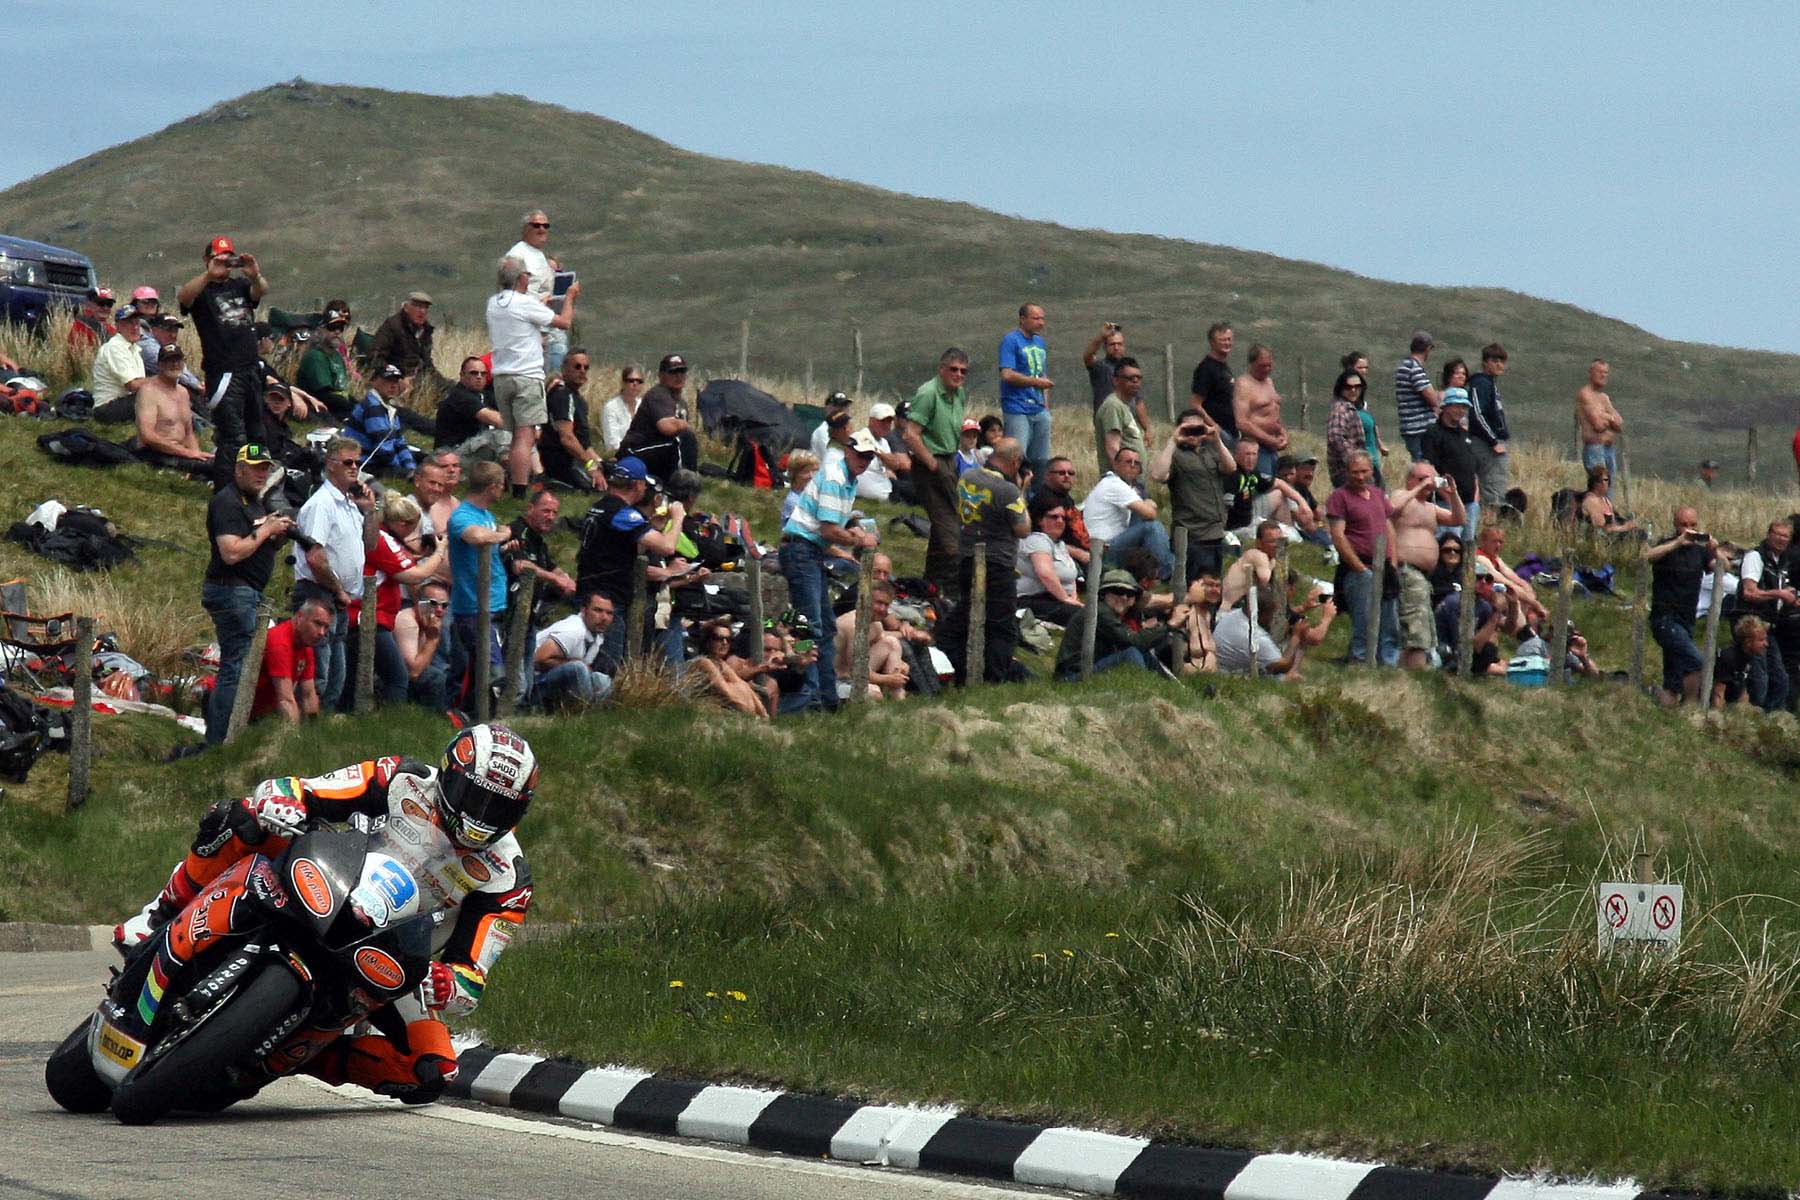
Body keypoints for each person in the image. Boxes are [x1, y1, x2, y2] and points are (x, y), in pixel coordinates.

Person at [113, 723, 539, 1105]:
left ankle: (294, 1053)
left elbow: (472, 975)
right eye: (474, 798)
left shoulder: (507, 876)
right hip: (327, 882)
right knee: (239, 817)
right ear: (448, 776)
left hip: (388, 958)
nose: (479, 818)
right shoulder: (401, 778)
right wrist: (284, 800)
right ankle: (160, 915)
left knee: (431, 1070)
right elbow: (306, 789)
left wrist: (449, 983)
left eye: (498, 808)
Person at [201, 445, 295, 745]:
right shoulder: (227, 501)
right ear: (239, 469)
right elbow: (231, 552)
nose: (261, 474)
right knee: (236, 666)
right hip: (231, 589)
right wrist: (267, 529)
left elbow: (256, 544)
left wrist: (277, 536)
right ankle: (220, 740)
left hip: (247, 591)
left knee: (243, 666)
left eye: (265, 469)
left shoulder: (254, 502)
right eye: (255, 468)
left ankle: (231, 734)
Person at [780, 431, 881, 705]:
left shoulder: (848, 480)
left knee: (824, 627)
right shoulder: (836, 478)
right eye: (860, 455)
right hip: (802, 550)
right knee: (810, 627)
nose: (864, 461)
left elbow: (833, 524)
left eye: (868, 457)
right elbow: (828, 530)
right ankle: (808, 696)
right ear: (848, 451)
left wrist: (853, 530)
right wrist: (859, 539)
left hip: (810, 552)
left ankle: (826, 696)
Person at [576, 457, 686, 670]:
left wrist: (653, 527)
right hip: (607, 601)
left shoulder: (600, 507)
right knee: (606, 666)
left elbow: (625, 544)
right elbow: (667, 547)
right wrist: (678, 518)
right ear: (637, 484)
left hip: (591, 592)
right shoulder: (622, 513)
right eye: (644, 484)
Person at [293, 438, 377, 711]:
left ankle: (325, 720)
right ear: (330, 465)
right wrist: (338, 590)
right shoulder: (322, 504)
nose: (354, 468)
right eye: (348, 462)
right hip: (319, 592)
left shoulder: (350, 504)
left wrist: (370, 510)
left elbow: (371, 545)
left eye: (357, 463)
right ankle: (304, 722)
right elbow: (314, 556)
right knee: (319, 671)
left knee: (335, 675)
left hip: (341, 597)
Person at [486, 254, 579, 499]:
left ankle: (512, 482)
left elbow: (520, 318)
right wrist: (569, 297)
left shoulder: (493, 303)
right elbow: (564, 322)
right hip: (526, 376)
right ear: (521, 278)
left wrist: (539, 306)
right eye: (526, 274)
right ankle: (519, 489)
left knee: (514, 434)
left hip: (502, 376)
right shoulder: (526, 303)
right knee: (525, 436)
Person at [938, 437, 1030, 685]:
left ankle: (960, 668)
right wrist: (1022, 491)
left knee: (967, 613)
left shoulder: (967, 477)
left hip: (967, 557)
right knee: (1001, 626)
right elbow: (1023, 528)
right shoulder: (1007, 490)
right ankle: (993, 678)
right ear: (1015, 461)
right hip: (998, 563)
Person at [177, 236, 268, 481]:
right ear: (207, 259)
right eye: (219, 258)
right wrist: (209, 274)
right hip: (224, 371)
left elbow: (260, 292)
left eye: (229, 258)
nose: (225, 264)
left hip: (250, 368)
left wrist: (254, 275)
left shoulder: (239, 285)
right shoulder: (202, 290)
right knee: (232, 436)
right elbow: (183, 298)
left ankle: (253, 481)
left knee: (257, 432)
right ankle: (226, 485)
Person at [352, 492, 448, 706]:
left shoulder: (387, 538)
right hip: (371, 617)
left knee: (359, 677)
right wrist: (440, 552)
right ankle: (394, 718)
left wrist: (419, 556)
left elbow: (399, 563)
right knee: (397, 677)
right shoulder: (382, 539)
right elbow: (415, 575)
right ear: (404, 524)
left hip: (378, 616)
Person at [900, 348, 971, 598]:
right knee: (950, 529)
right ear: (942, 369)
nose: (958, 375)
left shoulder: (959, 393)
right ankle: (952, 591)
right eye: (953, 369)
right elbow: (910, 434)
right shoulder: (928, 393)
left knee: (950, 521)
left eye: (963, 371)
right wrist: (932, 464)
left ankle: (931, 584)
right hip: (930, 462)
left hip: (949, 459)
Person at [446, 461, 517, 709]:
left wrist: (504, 546)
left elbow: (488, 546)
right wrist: (503, 534)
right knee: (492, 671)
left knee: (483, 669)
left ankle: (473, 715)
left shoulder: (487, 516)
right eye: (502, 485)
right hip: (474, 606)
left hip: (495, 601)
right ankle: (466, 713)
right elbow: (476, 537)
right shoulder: (462, 516)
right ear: (493, 487)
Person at [1389, 461, 1465, 669]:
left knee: (1423, 629)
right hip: (1407, 570)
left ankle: (1407, 671)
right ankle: (1416, 672)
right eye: (1422, 478)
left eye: (1431, 479)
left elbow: (1459, 519)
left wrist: (1452, 494)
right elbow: (1392, 508)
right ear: (1410, 480)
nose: (1428, 483)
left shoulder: (1431, 508)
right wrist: (1420, 487)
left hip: (1423, 577)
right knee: (1417, 631)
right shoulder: (1401, 496)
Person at [1327, 451, 1400, 666]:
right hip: (1359, 567)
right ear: (1347, 472)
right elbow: (1338, 536)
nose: (1360, 477)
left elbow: (1389, 529)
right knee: (1364, 618)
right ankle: (1360, 660)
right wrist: (1360, 569)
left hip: (1384, 565)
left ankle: (1388, 662)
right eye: (1355, 472)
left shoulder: (1378, 495)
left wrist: (1393, 562)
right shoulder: (1339, 498)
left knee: (1389, 618)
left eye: (1364, 471)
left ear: (1371, 471)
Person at [1148, 410, 1234, 584]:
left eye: (1198, 428)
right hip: (1192, 534)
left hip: (1215, 531)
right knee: (1195, 587)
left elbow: (1230, 467)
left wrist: (1216, 440)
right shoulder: (1175, 455)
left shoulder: (1210, 452)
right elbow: (1157, 475)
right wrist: (1174, 440)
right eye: (1189, 429)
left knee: (1214, 586)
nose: (1193, 433)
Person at [1649, 506, 1722, 706]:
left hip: (1687, 618)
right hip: (1665, 617)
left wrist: (1714, 549)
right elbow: (1648, 556)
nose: (1689, 529)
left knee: (1673, 679)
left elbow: (1723, 568)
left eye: (1693, 525)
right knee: (1696, 661)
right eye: (1684, 525)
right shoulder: (1667, 544)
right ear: (1675, 525)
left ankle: (1671, 704)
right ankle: (1689, 705)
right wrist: (1677, 543)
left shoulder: (1701, 551)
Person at [1053, 569, 1167, 680]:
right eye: (1118, 591)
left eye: (1130, 594)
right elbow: (1134, 640)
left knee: (1142, 652)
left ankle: (1167, 685)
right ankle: (1145, 687)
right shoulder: (1100, 612)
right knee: (1131, 653)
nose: (1124, 597)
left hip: (1090, 667)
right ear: (1104, 594)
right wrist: (1169, 626)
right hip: (1071, 675)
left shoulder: (1117, 613)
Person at [1082, 447, 1172, 578]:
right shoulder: (1114, 484)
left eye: (1137, 463)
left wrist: (1146, 504)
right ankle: (1169, 572)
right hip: (1103, 550)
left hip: (1112, 543)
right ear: (1116, 465)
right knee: (1152, 527)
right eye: (1128, 462)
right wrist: (1148, 503)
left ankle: (1166, 565)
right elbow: (1150, 513)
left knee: (1143, 521)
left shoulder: (1125, 486)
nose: (1133, 466)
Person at [1733, 519, 1794, 712]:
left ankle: (1769, 718)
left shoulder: (1783, 562)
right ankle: (1753, 715)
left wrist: (1790, 597)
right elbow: (1748, 592)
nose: (1781, 539)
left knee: (1780, 679)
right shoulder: (1756, 557)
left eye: (1785, 536)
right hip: (1751, 626)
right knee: (1759, 678)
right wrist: (1780, 594)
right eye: (1777, 534)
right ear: (1768, 535)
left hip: (1769, 628)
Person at [245, 597, 332, 726]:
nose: (322, 633)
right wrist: (293, 736)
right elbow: (285, 700)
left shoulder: (306, 646)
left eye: (326, 627)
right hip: (240, 712)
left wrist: (314, 730)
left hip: (262, 713)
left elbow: (309, 695)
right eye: (318, 624)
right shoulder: (280, 642)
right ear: (300, 617)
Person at [131, 344, 214, 475]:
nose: (174, 364)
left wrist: (197, 454)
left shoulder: (183, 392)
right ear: (160, 365)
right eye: (169, 361)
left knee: (219, 463)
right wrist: (187, 453)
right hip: (156, 454)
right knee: (217, 468)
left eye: (177, 360)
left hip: (180, 452)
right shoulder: (148, 392)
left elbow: (188, 433)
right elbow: (147, 436)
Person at [507, 208, 569, 375]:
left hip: (547, 327)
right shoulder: (517, 255)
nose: (542, 229)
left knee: (551, 378)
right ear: (525, 228)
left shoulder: (538, 255)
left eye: (545, 226)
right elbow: (511, 293)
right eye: (536, 225)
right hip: (530, 331)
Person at [620, 353, 697, 482]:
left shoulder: (681, 402)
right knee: (683, 438)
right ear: (661, 375)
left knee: (682, 440)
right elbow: (666, 427)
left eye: (682, 371)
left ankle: (682, 480)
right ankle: (687, 482)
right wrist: (685, 426)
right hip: (634, 452)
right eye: (673, 372)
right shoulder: (658, 394)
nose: (678, 376)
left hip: (656, 449)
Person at [531, 591, 616, 708]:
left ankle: (592, 712)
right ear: (584, 611)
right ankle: (583, 710)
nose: (604, 618)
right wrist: (574, 663)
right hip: (534, 682)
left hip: (554, 681)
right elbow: (538, 659)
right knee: (578, 668)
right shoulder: (574, 630)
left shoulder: (597, 635)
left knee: (602, 680)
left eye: (609, 613)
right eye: (597, 610)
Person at [999, 302, 1053, 482]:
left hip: (1039, 409)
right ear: (1022, 319)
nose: (1041, 323)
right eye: (1036, 318)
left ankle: (1036, 493)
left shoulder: (1040, 342)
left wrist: (1045, 406)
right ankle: (1015, 493)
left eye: (1042, 319)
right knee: (1017, 458)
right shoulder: (1011, 340)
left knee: (1041, 460)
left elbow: (1042, 375)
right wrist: (1036, 382)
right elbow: (1007, 374)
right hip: (1017, 407)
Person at [1420, 387, 1481, 541]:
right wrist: (1448, 495)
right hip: (1446, 503)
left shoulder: (1464, 434)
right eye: (1457, 406)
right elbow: (1430, 470)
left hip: (1470, 502)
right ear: (1446, 407)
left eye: (1464, 407)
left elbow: (1472, 467)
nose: (1461, 411)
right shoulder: (1433, 433)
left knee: (1468, 544)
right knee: (1449, 542)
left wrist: (1475, 495)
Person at [834, 580, 910, 701]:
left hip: (854, 675)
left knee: (891, 642)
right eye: (879, 603)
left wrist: (902, 666)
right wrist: (888, 679)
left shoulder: (876, 624)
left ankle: (899, 698)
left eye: (886, 605)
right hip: (837, 680)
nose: (882, 609)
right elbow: (857, 671)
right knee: (874, 693)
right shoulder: (853, 626)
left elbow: (887, 650)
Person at [541, 348, 604, 490]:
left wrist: (599, 463)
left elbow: (584, 443)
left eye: (586, 367)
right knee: (597, 488)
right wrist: (591, 466)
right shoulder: (562, 395)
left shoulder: (578, 399)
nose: (582, 371)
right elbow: (567, 439)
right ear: (564, 369)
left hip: (576, 458)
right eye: (577, 366)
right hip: (560, 461)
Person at [1016, 496, 1083, 626]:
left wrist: (1073, 598)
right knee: (1084, 617)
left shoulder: (1059, 544)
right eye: (1054, 517)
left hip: (1054, 599)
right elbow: (1045, 573)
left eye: (1063, 518)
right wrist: (1066, 598)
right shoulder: (1037, 540)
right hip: (1032, 600)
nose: (1060, 521)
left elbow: (1071, 576)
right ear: (1040, 520)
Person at [345, 363, 420, 477]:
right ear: (375, 381)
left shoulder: (388, 406)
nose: (393, 386)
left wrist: (410, 466)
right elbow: (383, 451)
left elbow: (399, 441)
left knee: (425, 458)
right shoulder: (372, 407)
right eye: (388, 381)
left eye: (396, 381)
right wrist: (404, 471)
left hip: (381, 459)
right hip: (366, 463)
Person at [1435, 561, 1508, 675]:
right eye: (1478, 578)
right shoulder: (1454, 602)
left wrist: (1512, 604)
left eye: (1487, 579)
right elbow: (1464, 645)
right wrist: (1496, 614)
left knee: (1490, 649)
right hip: (1445, 650)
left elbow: (1507, 629)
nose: (1483, 582)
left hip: (1466, 650)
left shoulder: (1484, 605)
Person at [1474, 523, 1550, 631]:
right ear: (1483, 541)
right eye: (1494, 541)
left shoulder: (1495, 558)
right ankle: (1521, 629)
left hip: (1497, 593)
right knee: (1516, 597)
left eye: (1501, 542)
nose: (1498, 546)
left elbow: (1513, 577)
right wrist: (1536, 604)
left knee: (1525, 595)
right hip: (1485, 597)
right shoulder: (1480, 558)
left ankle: (1524, 628)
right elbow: (1504, 581)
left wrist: (1527, 588)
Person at [435, 356, 509, 461]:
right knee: (500, 435)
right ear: (462, 375)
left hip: (473, 448)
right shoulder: (459, 396)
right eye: (474, 373)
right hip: (451, 454)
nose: (479, 377)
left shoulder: (485, 395)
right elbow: (496, 419)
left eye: (483, 374)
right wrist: (525, 429)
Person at [393, 579, 451, 710]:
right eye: (433, 604)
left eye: (444, 605)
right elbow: (413, 673)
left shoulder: (428, 621)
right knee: (436, 677)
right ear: (419, 603)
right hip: (389, 679)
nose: (439, 610)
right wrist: (432, 639)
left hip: (408, 675)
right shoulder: (408, 622)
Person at [1233, 343, 1287, 475]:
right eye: (1262, 366)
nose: (1267, 369)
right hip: (1256, 448)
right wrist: (1269, 440)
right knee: (1264, 484)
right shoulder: (1244, 385)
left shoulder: (1269, 382)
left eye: (1269, 365)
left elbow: (1273, 412)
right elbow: (1242, 422)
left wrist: (1283, 434)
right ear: (1251, 364)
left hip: (1273, 448)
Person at [1467, 344, 1511, 508]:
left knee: (1495, 485)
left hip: (1490, 442)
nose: (1499, 365)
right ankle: (1491, 519)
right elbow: (1477, 414)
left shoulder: (1490, 383)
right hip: (1486, 445)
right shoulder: (1481, 383)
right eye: (1495, 361)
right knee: (1494, 488)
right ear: (1485, 362)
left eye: (1502, 361)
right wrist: (1493, 441)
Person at [1084, 323, 1149, 433]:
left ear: (1124, 346)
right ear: (1105, 347)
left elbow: (1138, 401)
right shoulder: (1100, 368)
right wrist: (1101, 337)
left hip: (1128, 425)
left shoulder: (1130, 369)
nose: (1116, 348)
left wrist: (1147, 429)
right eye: (1112, 344)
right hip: (1108, 425)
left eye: (1119, 344)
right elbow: (1087, 357)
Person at [1092, 356, 1147, 478]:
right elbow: (1113, 447)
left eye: (1138, 378)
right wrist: (1126, 479)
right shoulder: (1113, 406)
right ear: (1116, 380)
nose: (1135, 381)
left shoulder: (1124, 406)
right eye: (1130, 378)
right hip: (1120, 482)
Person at [369, 291, 441, 384]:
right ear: (406, 308)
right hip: (395, 379)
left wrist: (435, 376)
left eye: (425, 307)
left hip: (421, 377)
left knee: (451, 388)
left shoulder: (426, 330)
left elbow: (426, 361)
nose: (422, 311)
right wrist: (397, 377)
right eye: (418, 307)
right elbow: (375, 357)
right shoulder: (392, 325)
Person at [296, 307, 354, 416]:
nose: (337, 332)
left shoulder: (337, 356)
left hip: (339, 407)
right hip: (320, 410)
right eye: (332, 328)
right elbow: (324, 395)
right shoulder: (315, 356)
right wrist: (354, 408)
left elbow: (342, 392)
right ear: (320, 330)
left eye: (341, 328)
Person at [1393, 330, 1441, 462]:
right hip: (1419, 428)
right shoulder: (1415, 369)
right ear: (1428, 349)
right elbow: (1432, 399)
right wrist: (1439, 395)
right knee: (1423, 464)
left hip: (1409, 426)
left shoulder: (1404, 366)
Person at [91, 304, 148, 412]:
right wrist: (162, 381)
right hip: (106, 407)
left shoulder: (134, 349)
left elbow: (140, 384)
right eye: (129, 323)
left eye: (137, 322)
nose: (135, 327)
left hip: (123, 401)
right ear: (118, 327)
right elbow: (133, 385)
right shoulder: (114, 347)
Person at [1189, 321, 1236, 443]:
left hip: (1232, 431)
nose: (1227, 343)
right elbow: (1195, 404)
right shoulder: (1206, 368)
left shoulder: (1224, 367)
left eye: (1229, 339)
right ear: (1212, 342)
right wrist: (1214, 426)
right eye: (1222, 340)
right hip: (1216, 434)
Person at [855, 402, 913, 503]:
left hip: (886, 486)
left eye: (889, 421)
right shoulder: (861, 436)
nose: (886, 425)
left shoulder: (883, 442)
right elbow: (902, 464)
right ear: (871, 420)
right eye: (882, 421)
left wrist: (879, 452)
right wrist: (882, 455)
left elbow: (894, 464)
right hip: (872, 489)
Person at [1325, 370, 1372, 490]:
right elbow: (1335, 437)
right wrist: (1354, 461)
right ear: (1341, 388)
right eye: (1348, 387)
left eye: (1357, 386)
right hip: (1346, 472)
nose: (1353, 390)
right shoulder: (1340, 409)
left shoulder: (1351, 407)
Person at [1167, 573, 1222, 674]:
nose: (1215, 590)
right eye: (1209, 585)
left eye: (1218, 586)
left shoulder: (1211, 612)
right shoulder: (1183, 610)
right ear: (1195, 586)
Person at [1713, 617, 1772, 710]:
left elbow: (1743, 690)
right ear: (1748, 642)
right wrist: (1718, 716)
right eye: (1761, 640)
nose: (1766, 644)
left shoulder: (1749, 656)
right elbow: (1718, 693)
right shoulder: (1728, 657)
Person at [1576, 359, 1623, 474]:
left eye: (1606, 372)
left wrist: (1605, 416)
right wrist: (1610, 418)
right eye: (1599, 372)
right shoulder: (1585, 394)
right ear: (1591, 373)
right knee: (1599, 484)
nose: (1603, 375)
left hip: (1609, 449)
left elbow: (1619, 424)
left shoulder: (1604, 397)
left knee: (1610, 485)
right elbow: (1598, 425)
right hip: (1595, 449)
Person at [1578, 465, 1640, 534]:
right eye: (1603, 480)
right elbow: (1602, 529)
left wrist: (1627, 524)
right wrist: (1625, 527)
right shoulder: (1591, 501)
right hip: (1605, 537)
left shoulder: (1605, 500)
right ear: (1594, 482)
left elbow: (1613, 523)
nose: (1605, 483)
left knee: (1640, 532)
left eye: (1607, 480)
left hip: (1614, 533)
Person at [601, 364, 646, 453]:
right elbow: (612, 443)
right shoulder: (611, 408)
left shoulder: (644, 405)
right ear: (623, 383)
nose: (635, 384)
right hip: (621, 454)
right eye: (631, 381)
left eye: (639, 381)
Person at [810, 391, 853, 462]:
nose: (842, 409)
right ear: (827, 408)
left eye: (845, 406)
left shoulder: (847, 430)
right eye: (837, 406)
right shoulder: (823, 431)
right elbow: (833, 458)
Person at [781, 450, 819, 522]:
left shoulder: (813, 496)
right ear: (794, 475)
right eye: (805, 472)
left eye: (815, 470)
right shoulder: (795, 502)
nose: (812, 476)